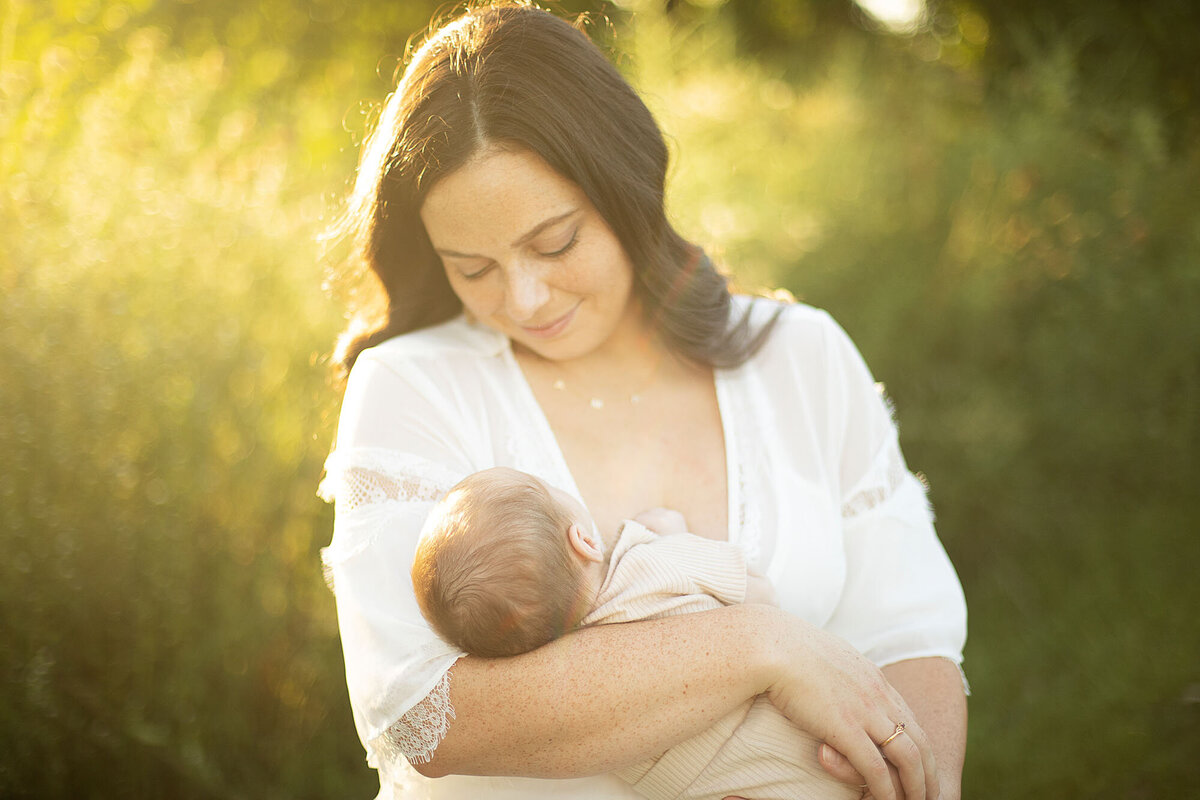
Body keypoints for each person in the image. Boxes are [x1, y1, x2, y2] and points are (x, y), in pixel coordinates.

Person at [318, 4, 968, 800]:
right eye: (472, 267)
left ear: (626, 189)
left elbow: (910, 632)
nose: (524, 298)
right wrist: (760, 645)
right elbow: (424, 713)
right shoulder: (415, 386)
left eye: (555, 243)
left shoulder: (803, 357)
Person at [410, 465, 858, 800]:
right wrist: (672, 536)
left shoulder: (585, 696)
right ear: (584, 540)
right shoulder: (653, 562)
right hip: (822, 746)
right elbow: (761, 597)